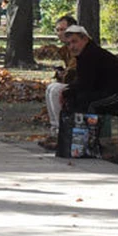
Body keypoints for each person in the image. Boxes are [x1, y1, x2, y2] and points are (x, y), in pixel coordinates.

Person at [62, 24, 118, 115]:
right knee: (77, 98)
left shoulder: (93, 54)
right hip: (109, 92)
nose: (72, 47)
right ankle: (71, 127)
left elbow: (86, 83)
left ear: (85, 39)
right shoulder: (83, 55)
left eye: (74, 41)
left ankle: (88, 129)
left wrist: (66, 92)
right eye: (68, 44)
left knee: (90, 103)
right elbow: (85, 83)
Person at [38, 15, 78, 150]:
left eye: (63, 29)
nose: (60, 33)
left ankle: (62, 133)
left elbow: (75, 70)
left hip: (92, 87)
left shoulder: (78, 45)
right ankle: (56, 131)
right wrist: (62, 74)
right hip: (78, 84)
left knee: (56, 90)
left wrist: (65, 74)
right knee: (51, 88)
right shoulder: (66, 48)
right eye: (57, 30)